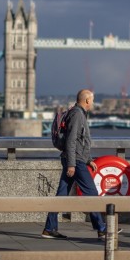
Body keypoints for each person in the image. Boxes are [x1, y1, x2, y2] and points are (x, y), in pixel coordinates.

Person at [42, 89, 107, 240]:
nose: (92, 103)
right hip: (75, 162)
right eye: (92, 100)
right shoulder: (78, 114)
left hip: (75, 159)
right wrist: (72, 164)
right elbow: (71, 140)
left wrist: (89, 159)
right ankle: (102, 228)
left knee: (61, 195)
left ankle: (49, 228)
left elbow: (80, 141)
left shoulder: (77, 113)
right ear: (87, 100)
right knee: (91, 193)